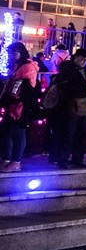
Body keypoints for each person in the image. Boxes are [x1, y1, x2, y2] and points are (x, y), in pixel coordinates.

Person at [52, 48, 86, 169]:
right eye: (82, 59)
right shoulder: (67, 68)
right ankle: (63, 159)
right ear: (76, 56)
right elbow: (65, 85)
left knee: (81, 133)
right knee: (68, 133)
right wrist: (84, 83)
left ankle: (77, 158)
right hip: (70, 105)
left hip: (85, 106)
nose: (83, 62)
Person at [0, 42, 39, 172]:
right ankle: (7, 158)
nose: (11, 56)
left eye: (14, 53)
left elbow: (23, 89)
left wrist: (10, 97)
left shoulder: (27, 67)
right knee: (6, 132)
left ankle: (16, 161)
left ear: (21, 52)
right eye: (10, 53)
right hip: (11, 105)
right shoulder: (17, 65)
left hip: (20, 106)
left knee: (18, 134)